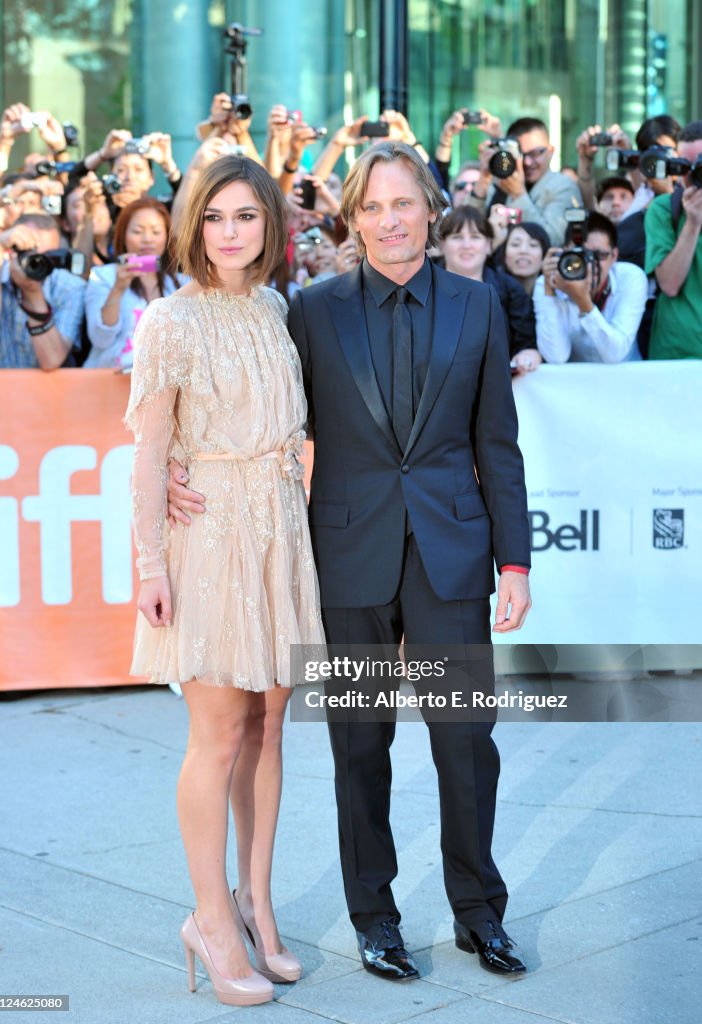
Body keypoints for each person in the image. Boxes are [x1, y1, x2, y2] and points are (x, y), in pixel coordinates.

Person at [168, 140, 532, 982]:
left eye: (403, 203)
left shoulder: (479, 308)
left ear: (430, 211)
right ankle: (376, 919)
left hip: (451, 552)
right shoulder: (311, 311)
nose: (388, 220)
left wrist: (514, 564)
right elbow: (252, 407)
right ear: (353, 218)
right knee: (359, 744)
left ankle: (481, 914)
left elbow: (498, 447)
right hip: (346, 557)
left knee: (465, 743)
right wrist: (180, 461)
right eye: (371, 206)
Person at [125, 155, 325, 1006]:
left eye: (247, 216)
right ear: (192, 226)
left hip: (280, 529)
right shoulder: (169, 320)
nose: (231, 232)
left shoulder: (278, 308)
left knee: (269, 729)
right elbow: (147, 451)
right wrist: (149, 564)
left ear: (270, 226)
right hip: (208, 536)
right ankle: (209, 918)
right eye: (215, 217)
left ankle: (256, 904)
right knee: (215, 733)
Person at [535, 211, 647, 362]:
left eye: (599, 256)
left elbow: (615, 354)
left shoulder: (630, 277)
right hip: (576, 383)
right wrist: (549, 291)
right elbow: (556, 357)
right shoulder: (547, 282)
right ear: (563, 253)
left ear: (614, 256)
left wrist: (583, 301)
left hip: (625, 379)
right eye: (580, 256)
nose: (589, 265)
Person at [439, 206, 540, 372]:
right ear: (442, 245)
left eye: (475, 237)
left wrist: (527, 356)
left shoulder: (511, 291)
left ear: (489, 245)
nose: (467, 245)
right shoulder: (422, 289)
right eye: (457, 237)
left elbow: (527, 345)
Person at [85, 198, 180, 369]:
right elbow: (100, 339)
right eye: (137, 231)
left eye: (156, 232)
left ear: (167, 236)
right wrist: (118, 288)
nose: (147, 239)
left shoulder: (182, 282)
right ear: (123, 235)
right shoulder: (102, 276)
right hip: (110, 384)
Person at [0, 212, 85, 368]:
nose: (38, 262)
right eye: (31, 253)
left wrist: (32, 292)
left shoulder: (70, 287)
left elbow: (52, 360)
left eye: (47, 256)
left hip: (47, 390)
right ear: (10, 251)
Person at [464, 116, 582, 245]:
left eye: (536, 153)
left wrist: (518, 195)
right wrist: (483, 180)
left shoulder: (563, 186)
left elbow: (552, 239)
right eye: (520, 154)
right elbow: (464, 230)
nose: (527, 162)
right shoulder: (498, 183)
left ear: (551, 151)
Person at [645, 119, 702, 360]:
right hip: (677, 355)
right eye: (685, 167)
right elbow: (669, 284)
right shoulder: (663, 209)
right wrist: (692, 223)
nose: (694, 176)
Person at [499, 221, 550, 296]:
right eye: (515, 244)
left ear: (545, 254)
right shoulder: (491, 294)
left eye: (533, 245)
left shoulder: (556, 297)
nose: (523, 251)